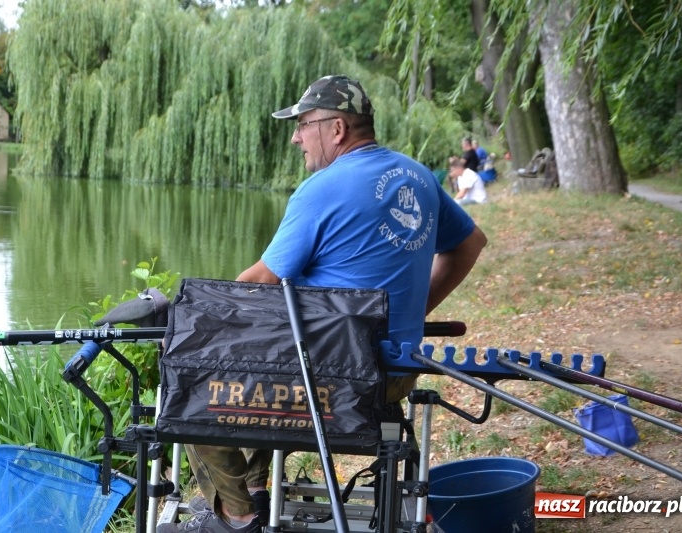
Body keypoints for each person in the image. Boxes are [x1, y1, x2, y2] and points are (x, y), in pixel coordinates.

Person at [161, 75, 487, 533]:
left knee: (197, 374)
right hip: (396, 374)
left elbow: (258, 282)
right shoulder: (418, 177)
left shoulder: (323, 188)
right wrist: (412, 313)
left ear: (336, 129)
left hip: (336, 383)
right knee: (262, 354)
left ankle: (237, 517)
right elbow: (470, 243)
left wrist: (199, 329)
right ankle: (256, 489)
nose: (296, 138)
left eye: (303, 125)